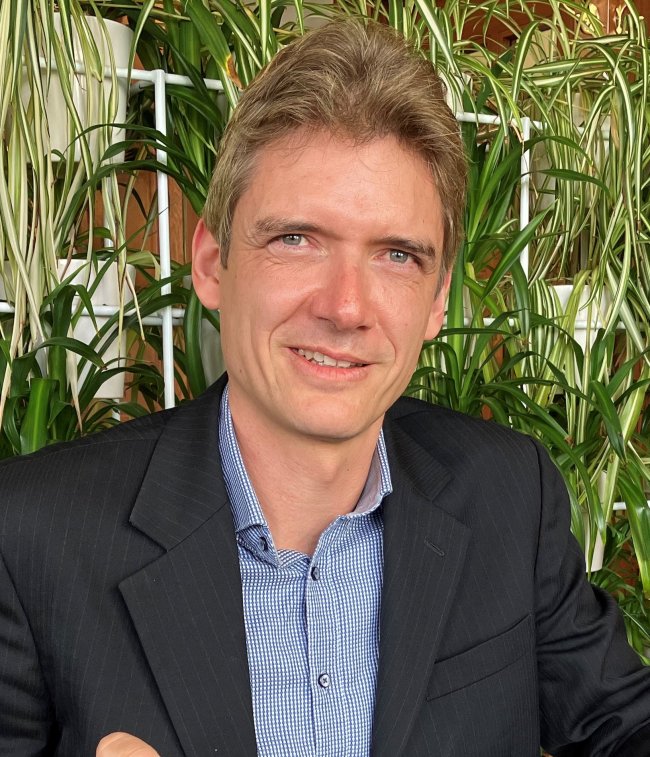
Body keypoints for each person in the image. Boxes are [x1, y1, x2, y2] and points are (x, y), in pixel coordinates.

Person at [1, 19, 649, 757]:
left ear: (438, 299)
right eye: (296, 239)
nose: (345, 306)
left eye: (398, 255)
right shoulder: (30, 541)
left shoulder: (507, 494)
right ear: (211, 262)